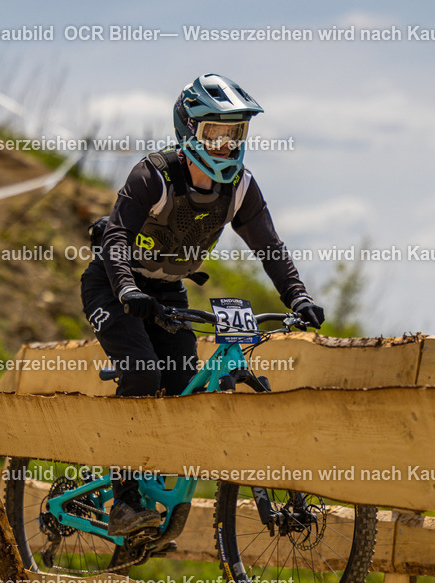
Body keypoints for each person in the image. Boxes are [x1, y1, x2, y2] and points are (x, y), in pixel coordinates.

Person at [80, 73, 325, 536]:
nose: (226, 145)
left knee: (181, 387)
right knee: (142, 372)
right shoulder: (153, 174)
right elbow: (114, 235)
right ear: (189, 131)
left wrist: (299, 297)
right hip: (112, 286)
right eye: (215, 132)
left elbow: (269, 246)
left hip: (169, 292)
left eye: (236, 133)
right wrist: (129, 291)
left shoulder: (240, 188)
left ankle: (153, 507)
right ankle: (125, 498)